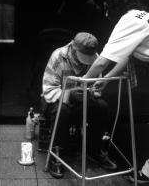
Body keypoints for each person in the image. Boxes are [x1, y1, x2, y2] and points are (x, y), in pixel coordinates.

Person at [84, 0, 149, 186]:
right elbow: (126, 56)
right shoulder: (144, 16)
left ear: (114, 9)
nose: (106, 15)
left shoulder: (128, 20)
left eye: (107, 10)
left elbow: (101, 61)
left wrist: (83, 83)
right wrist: (104, 80)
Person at [41, 32, 117, 178]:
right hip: (54, 100)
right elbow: (48, 90)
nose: (86, 62)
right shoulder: (58, 56)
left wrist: (91, 92)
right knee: (62, 110)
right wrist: (69, 94)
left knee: (102, 106)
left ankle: (94, 149)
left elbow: (96, 88)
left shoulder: (95, 58)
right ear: (73, 46)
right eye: (82, 55)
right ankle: (57, 154)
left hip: (81, 100)